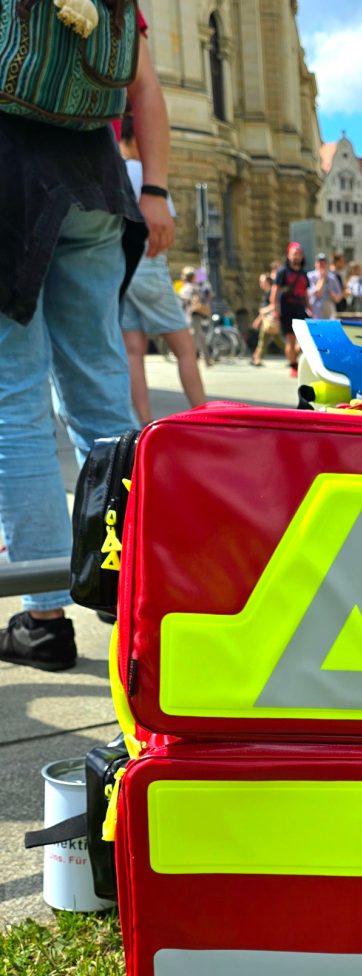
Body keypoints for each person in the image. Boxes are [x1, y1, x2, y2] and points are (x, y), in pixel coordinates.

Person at [0, 16, 173, 672]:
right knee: (101, 388)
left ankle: (43, 618)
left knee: (15, 403)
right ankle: (124, 583)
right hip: (97, 183)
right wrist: (152, 188)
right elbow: (146, 88)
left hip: (8, 174)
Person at [118, 114, 205, 423]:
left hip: (122, 272)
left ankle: (143, 424)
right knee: (184, 348)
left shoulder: (115, 172)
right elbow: (165, 229)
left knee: (133, 350)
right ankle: (201, 413)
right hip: (150, 268)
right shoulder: (145, 173)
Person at [271, 243, 310, 377]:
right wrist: (275, 310)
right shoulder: (283, 272)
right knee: (291, 339)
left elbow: (305, 293)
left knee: (307, 339)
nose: (297, 256)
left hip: (300, 309)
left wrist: (309, 307)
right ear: (288, 255)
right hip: (287, 309)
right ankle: (294, 366)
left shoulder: (304, 274)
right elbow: (275, 292)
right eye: (294, 253)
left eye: (299, 253)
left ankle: (294, 360)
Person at [178, 266, 213, 368]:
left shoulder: (187, 288)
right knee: (200, 337)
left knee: (193, 338)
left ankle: (192, 360)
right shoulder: (197, 287)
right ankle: (207, 359)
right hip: (198, 314)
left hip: (191, 315)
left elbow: (182, 300)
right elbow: (207, 295)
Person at [250, 272, 283, 366]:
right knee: (266, 340)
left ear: (267, 282)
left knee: (272, 340)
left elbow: (274, 305)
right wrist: (259, 319)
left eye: (262, 281)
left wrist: (262, 313)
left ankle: (257, 358)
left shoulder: (271, 292)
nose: (260, 283)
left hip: (271, 320)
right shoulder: (267, 292)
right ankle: (256, 358)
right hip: (267, 320)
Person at [307, 252, 344, 321]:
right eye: (320, 262)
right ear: (315, 264)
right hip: (315, 311)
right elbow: (317, 293)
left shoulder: (332, 277)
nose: (322, 265)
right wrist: (322, 278)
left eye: (324, 263)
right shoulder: (310, 276)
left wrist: (335, 296)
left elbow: (339, 296)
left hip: (329, 311)